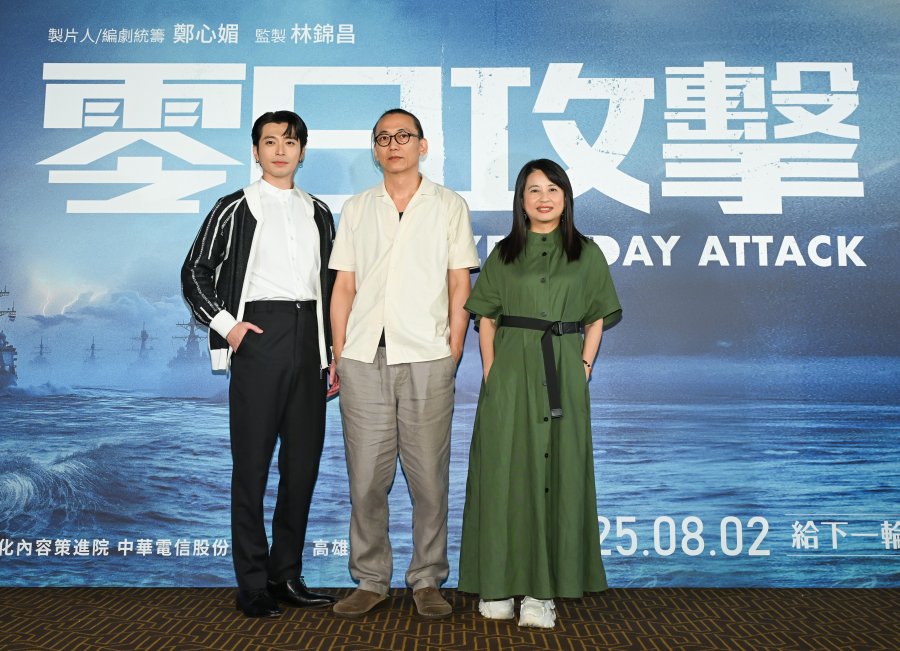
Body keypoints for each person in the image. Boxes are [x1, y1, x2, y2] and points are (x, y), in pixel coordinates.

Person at [181, 110, 337, 618]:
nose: (280, 150)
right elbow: (194, 271)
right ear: (255, 151)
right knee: (251, 467)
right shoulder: (233, 208)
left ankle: (285, 574)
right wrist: (229, 326)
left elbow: (332, 286)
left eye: (290, 142)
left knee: (301, 467)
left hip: (311, 340)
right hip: (259, 336)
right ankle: (251, 582)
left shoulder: (319, 212)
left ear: (302, 151)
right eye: (269, 142)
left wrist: (332, 352)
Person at [457, 159, 621, 628]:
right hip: (510, 375)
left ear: (566, 197)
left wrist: (584, 365)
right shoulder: (503, 254)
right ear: (521, 200)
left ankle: (540, 593)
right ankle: (497, 584)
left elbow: (597, 316)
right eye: (534, 190)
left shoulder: (586, 253)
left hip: (563, 373)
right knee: (503, 476)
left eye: (553, 189)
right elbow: (486, 317)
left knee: (557, 477)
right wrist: (492, 371)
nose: (544, 198)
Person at [329, 108, 479, 619]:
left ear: (423, 145)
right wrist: (339, 351)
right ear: (375, 150)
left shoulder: (449, 205)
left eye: (403, 136)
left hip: (428, 357)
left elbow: (460, 283)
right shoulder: (357, 207)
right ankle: (371, 580)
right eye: (384, 138)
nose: (393, 145)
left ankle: (427, 580)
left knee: (429, 480)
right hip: (363, 358)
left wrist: (453, 350)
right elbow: (344, 285)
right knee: (366, 479)